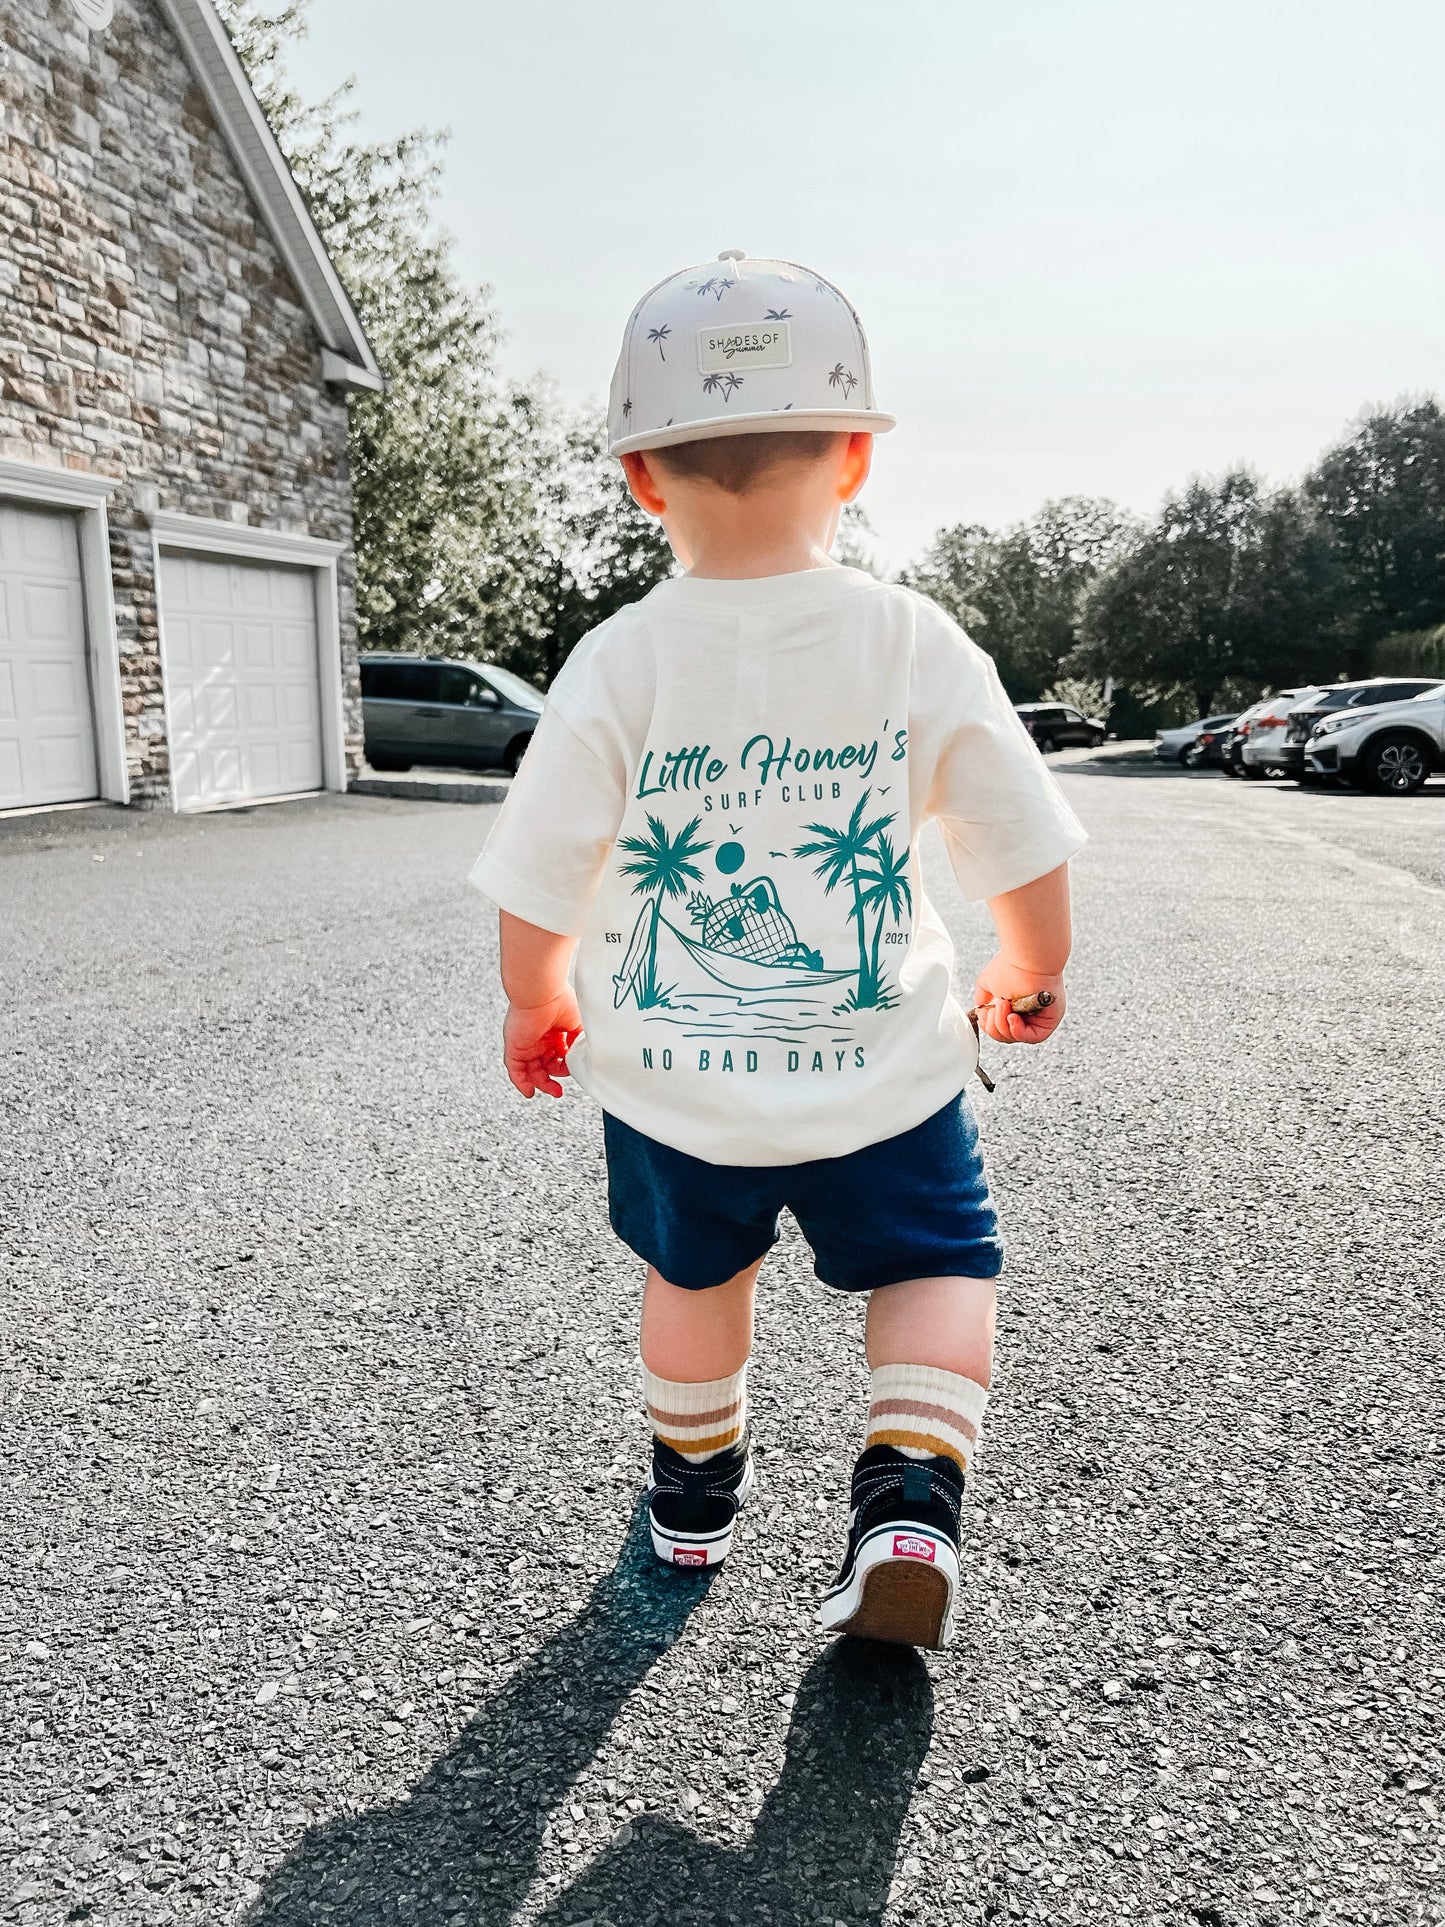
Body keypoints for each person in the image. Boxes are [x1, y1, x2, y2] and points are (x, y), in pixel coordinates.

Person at [470, 251, 1086, 1649]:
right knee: (935, 1271)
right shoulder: (912, 641)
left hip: (679, 1088)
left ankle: (689, 1509)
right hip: (885, 1077)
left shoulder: (617, 660)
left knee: (694, 1282)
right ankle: (909, 1504)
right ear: (854, 459)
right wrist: (1031, 966)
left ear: (639, 477)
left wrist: (534, 998)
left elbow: (539, 863)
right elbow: (1017, 833)